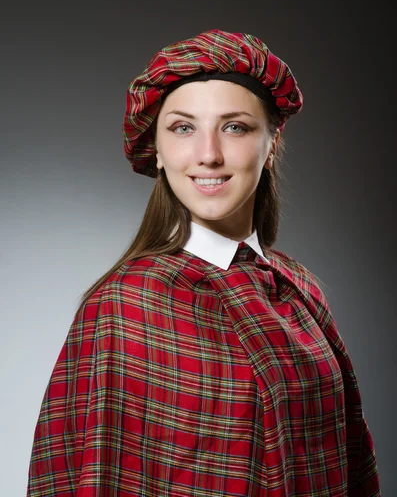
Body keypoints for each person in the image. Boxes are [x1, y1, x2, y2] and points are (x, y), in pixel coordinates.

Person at [26, 29, 381, 496]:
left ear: (270, 144)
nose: (208, 155)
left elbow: (348, 461)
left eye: (235, 127)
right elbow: (81, 476)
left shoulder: (300, 290)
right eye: (183, 127)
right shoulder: (122, 306)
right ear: (157, 150)